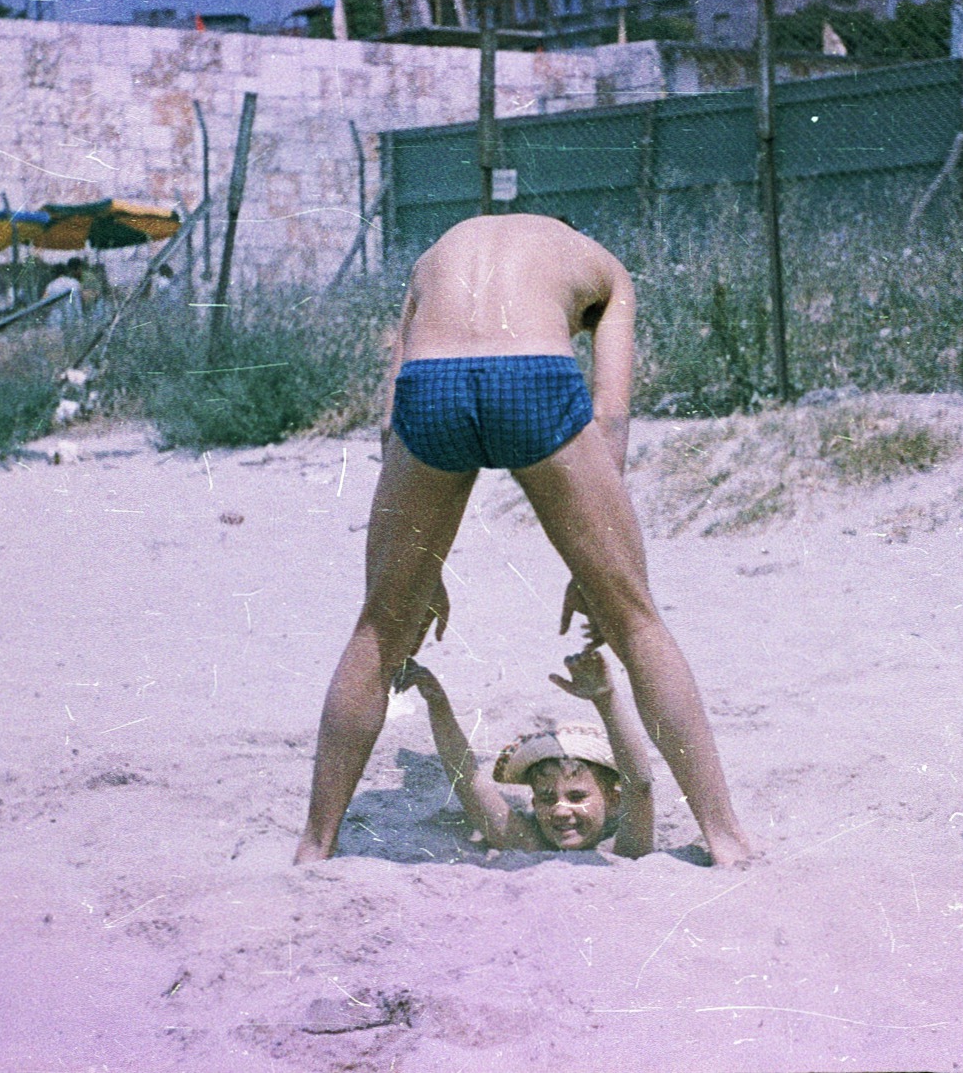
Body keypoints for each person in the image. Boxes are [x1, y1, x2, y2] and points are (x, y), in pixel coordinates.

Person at [293, 213, 752, 868]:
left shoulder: (434, 255)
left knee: (379, 631)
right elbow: (611, 412)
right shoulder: (603, 268)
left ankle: (316, 845)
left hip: (431, 391)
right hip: (531, 377)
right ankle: (726, 838)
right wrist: (598, 562)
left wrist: (422, 566)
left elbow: (391, 421)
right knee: (637, 621)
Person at [397, 643, 654, 857]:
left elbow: (640, 783)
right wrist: (437, 703)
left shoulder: (623, 850)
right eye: (546, 798)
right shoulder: (527, 844)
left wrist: (605, 698)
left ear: (613, 801)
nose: (561, 811)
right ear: (533, 804)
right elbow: (468, 780)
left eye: (576, 797)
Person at [41, 260, 82, 328]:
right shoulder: (75, 283)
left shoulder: (51, 285)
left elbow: (44, 301)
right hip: (73, 317)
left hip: (56, 318)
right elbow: (80, 300)